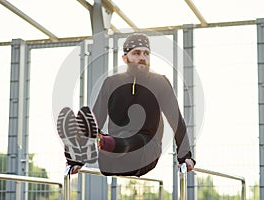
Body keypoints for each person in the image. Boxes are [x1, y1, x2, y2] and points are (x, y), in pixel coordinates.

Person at [57, 33, 195, 176]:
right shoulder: (111, 83)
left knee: (139, 139)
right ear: (125, 58)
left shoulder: (160, 83)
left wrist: (185, 157)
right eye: (136, 53)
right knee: (102, 135)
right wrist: (77, 163)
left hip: (144, 155)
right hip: (112, 159)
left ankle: (101, 142)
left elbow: (176, 121)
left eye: (146, 53)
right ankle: (82, 149)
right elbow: (95, 120)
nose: (142, 57)